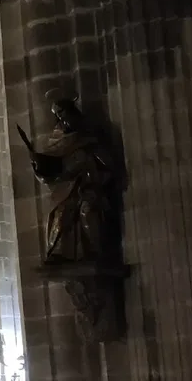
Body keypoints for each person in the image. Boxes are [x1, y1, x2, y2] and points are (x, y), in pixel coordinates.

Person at [22, 97, 119, 266]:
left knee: (87, 212)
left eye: (63, 114)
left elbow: (108, 165)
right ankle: (59, 254)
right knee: (60, 216)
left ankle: (95, 253)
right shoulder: (57, 141)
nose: (62, 120)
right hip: (65, 189)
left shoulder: (88, 138)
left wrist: (95, 177)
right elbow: (49, 174)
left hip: (88, 188)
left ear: (72, 113)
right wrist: (39, 166)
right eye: (58, 116)